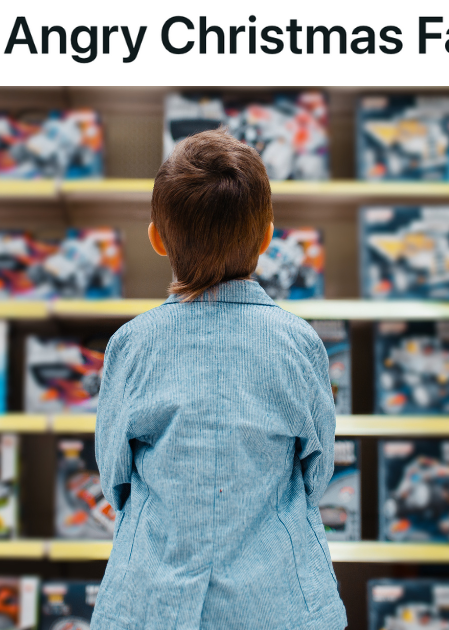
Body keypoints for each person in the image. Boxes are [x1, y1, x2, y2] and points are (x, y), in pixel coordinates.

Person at [92, 129, 345, 629]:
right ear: (268, 236)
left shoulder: (131, 344)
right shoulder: (298, 343)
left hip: (151, 604)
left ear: (157, 238)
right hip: (279, 604)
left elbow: (114, 477)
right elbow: (316, 473)